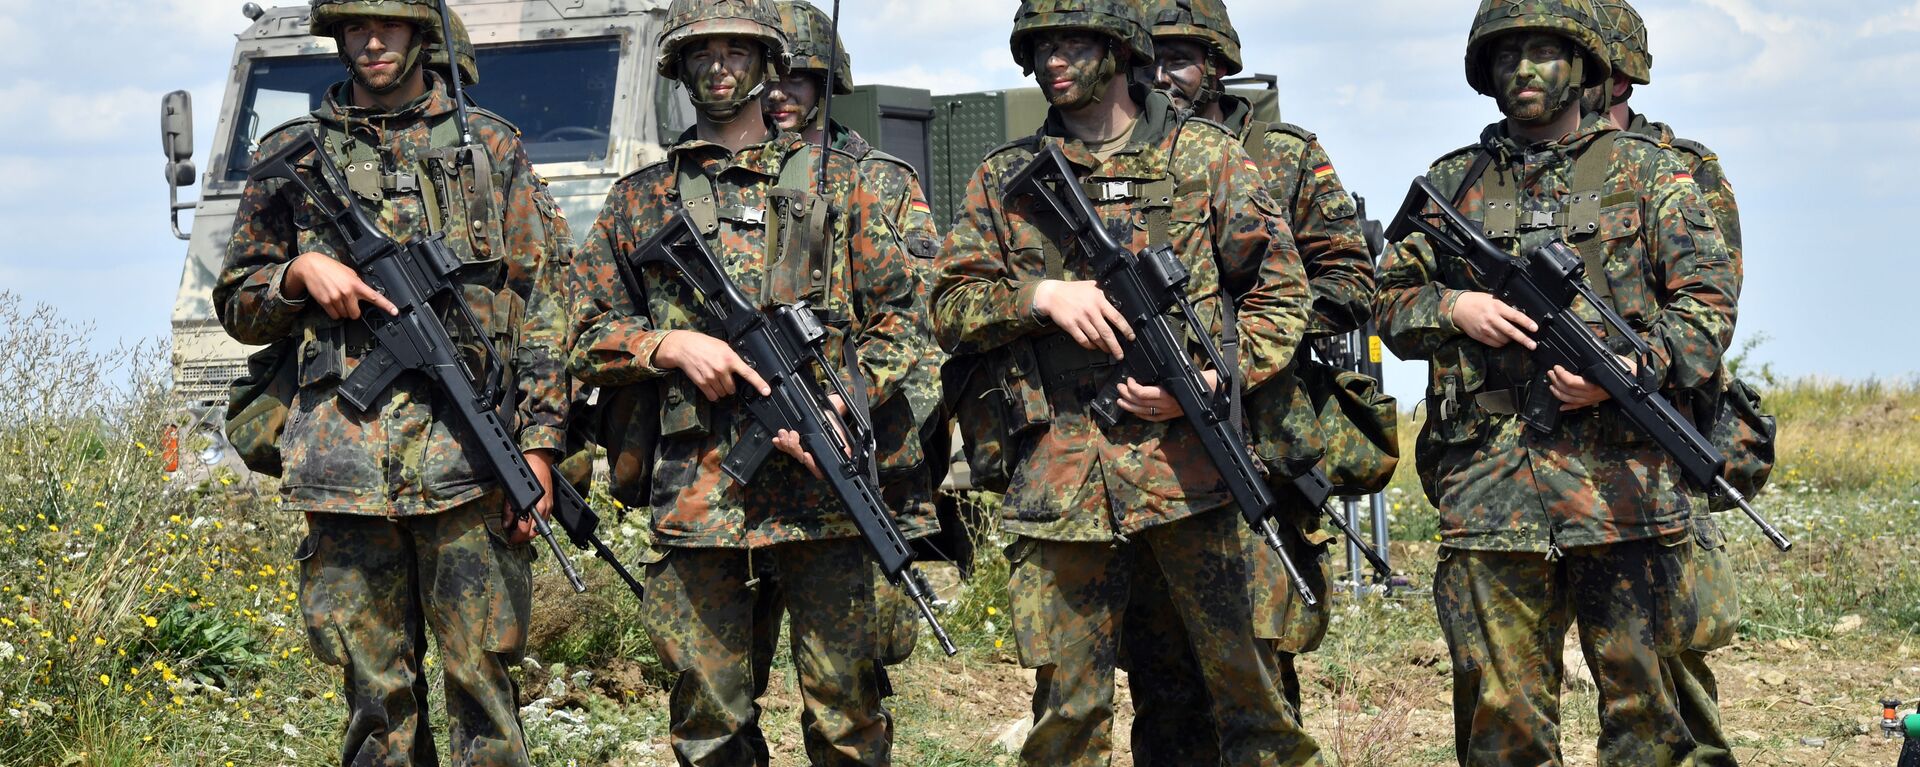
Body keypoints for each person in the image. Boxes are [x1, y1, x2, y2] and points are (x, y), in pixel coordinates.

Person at [518, 0, 935, 763]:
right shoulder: (641, 200)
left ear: (768, 63)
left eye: (737, 51)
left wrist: (846, 398)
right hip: (699, 494)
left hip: (827, 494)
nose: (719, 66)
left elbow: (906, 320)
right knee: (709, 722)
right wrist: (665, 343)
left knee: (849, 715)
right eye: (701, 52)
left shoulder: (849, 185)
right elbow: (573, 332)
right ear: (677, 66)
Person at [931, 0, 1323, 763]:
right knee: (1068, 718)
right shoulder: (1006, 178)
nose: (1054, 60)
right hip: (1061, 482)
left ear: (1121, 49)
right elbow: (947, 301)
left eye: (1074, 42)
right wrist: (1040, 298)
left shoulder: (1206, 159)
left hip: (1198, 479)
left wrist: (1213, 377)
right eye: (1041, 45)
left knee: (1251, 700)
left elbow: (1282, 291)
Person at [1373, 0, 1739, 763]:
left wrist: (1633, 370)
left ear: (1583, 67)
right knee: (1500, 715)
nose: (1524, 70)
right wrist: (1456, 305)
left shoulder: (1648, 173)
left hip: (1625, 489)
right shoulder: (1454, 181)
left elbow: (1707, 303)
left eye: (1544, 52)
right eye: (1508, 56)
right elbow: (1386, 296)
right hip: (1490, 488)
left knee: (1648, 711)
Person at [215, 1, 568, 764]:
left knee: (483, 687)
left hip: (469, 460)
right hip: (344, 467)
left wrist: (537, 450)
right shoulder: (292, 154)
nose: (373, 43)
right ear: (338, 37)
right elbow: (238, 302)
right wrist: (296, 274)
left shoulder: (489, 147)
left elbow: (546, 308)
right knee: (375, 701)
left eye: (391, 26)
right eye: (356, 29)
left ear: (422, 34)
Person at [1122, 1, 1378, 760]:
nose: (1160, 76)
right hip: (1148, 450)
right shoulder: (1118, 151)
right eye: (1148, 60)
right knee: (1160, 668)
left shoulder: (1284, 153)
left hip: (1258, 437)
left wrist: (1233, 327)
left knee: (1258, 661)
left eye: (1178, 59)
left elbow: (1350, 281)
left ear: (1218, 62)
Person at [1589, 3, 1746, 764]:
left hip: (1653, 439)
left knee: (1664, 654)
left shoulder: (1681, 167)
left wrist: (1637, 360)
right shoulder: (1516, 171)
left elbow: (1712, 305)